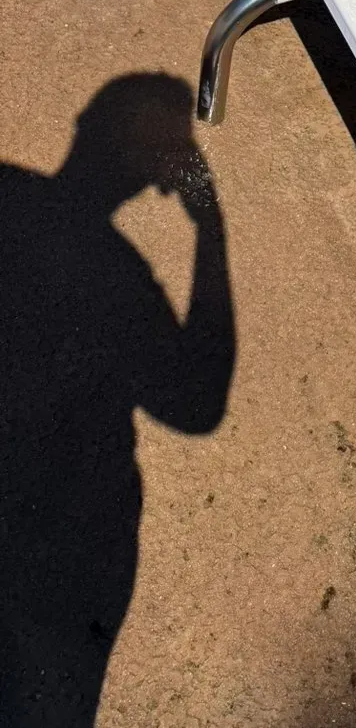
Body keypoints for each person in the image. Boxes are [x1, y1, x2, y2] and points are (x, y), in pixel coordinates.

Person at [0, 74, 235, 725]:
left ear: (81, 126)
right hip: (64, 547)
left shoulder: (8, 193)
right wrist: (210, 229)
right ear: (159, 181)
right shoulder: (120, 283)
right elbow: (196, 405)